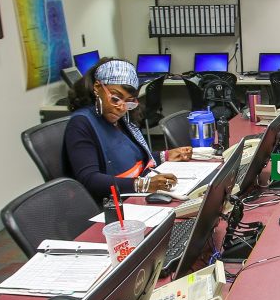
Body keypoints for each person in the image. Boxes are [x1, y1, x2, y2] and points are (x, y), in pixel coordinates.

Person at [66, 57, 192, 201]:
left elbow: (132, 159)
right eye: (115, 98)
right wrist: (143, 185)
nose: (121, 107)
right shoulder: (81, 124)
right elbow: (90, 180)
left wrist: (166, 156)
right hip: (114, 204)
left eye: (129, 101)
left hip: (133, 194)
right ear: (97, 87)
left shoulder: (122, 119)